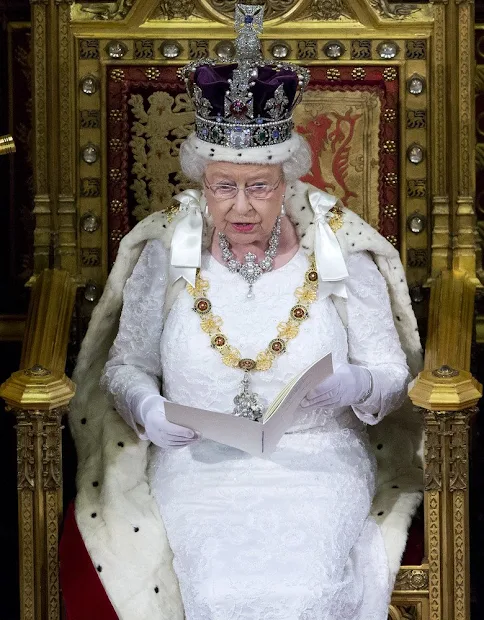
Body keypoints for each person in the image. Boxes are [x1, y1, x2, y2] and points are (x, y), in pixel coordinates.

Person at [67, 4, 424, 619]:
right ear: (202, 184)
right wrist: (148, 409)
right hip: (198, 468)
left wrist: (356, 383)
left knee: (307, 586)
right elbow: (125, 366)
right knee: (218, 589)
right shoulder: (168, 249)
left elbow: (392, 374)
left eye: (258, 185)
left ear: (287, 180)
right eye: (222, 186)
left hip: (318, 465)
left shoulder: (340, 250)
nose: (239, 206)